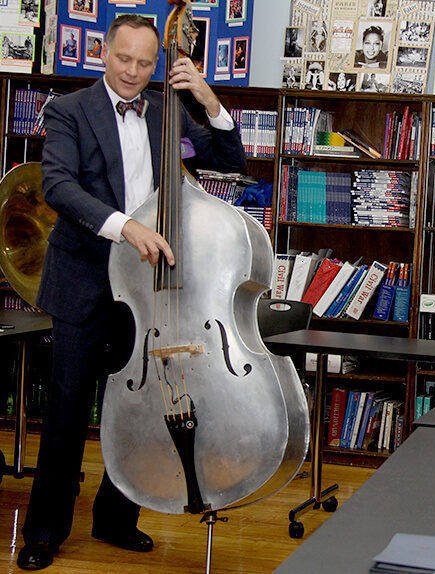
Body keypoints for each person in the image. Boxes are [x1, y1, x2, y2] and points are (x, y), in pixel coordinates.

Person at [17, 13, 246, 571]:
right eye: (125, 59)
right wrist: (128, 226)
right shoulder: (67, 110)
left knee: (138, 410)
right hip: (84, 284)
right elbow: (59, 186)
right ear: (104, 52)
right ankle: (45, 530)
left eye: (147, 63)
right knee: (67, 412)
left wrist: (209, 102)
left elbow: (230, 162)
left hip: (147, 295)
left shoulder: (168, 109)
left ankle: (117, 519)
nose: (134, 72)